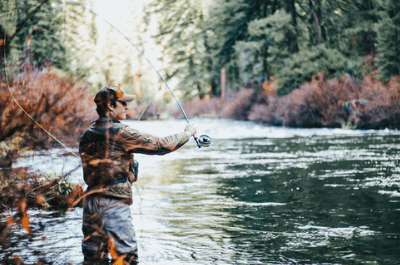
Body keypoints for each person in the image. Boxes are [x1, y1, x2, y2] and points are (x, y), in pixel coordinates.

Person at [79, 86, 197, 264]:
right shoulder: (121, 132)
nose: (127, 107)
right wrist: (186, 134)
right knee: (126, 259)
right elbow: (160, 145)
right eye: (123, 103)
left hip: (90, 205)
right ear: (110, 106)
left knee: (93, 259)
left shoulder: (87, 134)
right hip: (113, 205)